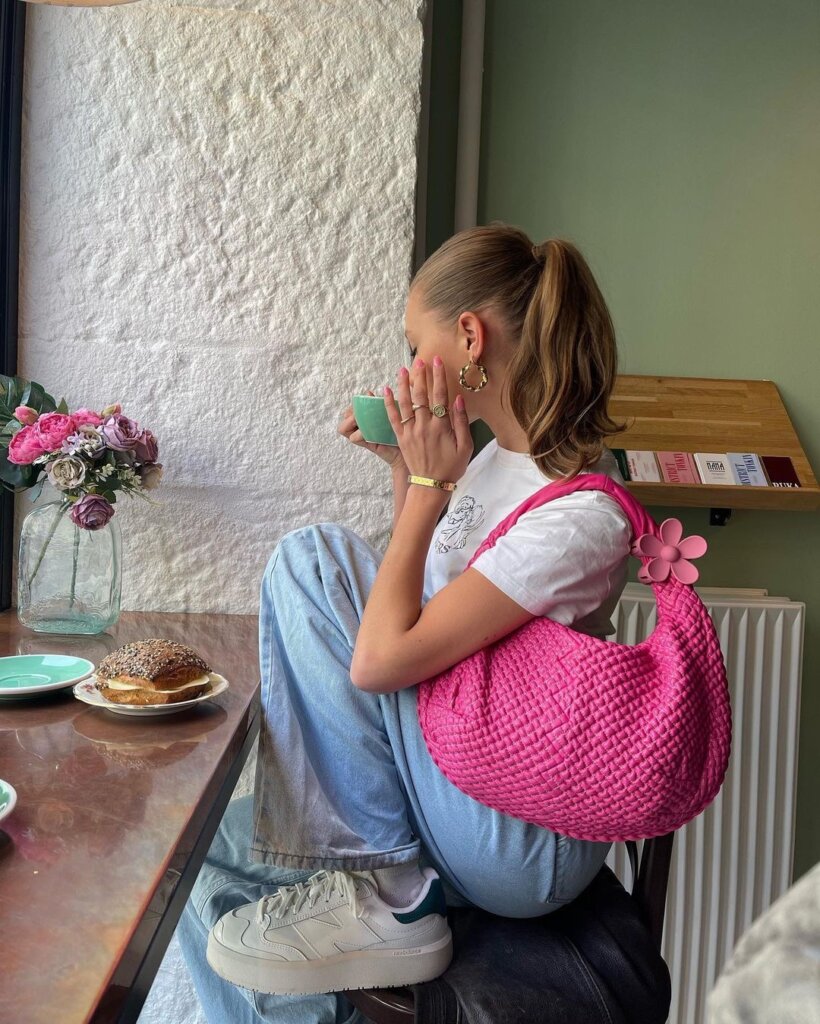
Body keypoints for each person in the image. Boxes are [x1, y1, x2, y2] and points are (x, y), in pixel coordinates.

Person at [178, 222, 635, 1023]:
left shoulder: (581, 514)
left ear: (468, 337)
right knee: (202, 848)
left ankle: (389, 890)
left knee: (312, 558)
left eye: (410, 339)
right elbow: (414, 609)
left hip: (520, 840)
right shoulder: (491, 462)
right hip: (454, 790)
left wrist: (430, 486)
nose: (404, 360)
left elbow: (383, 660)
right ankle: (360, 923)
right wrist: (408, 474)